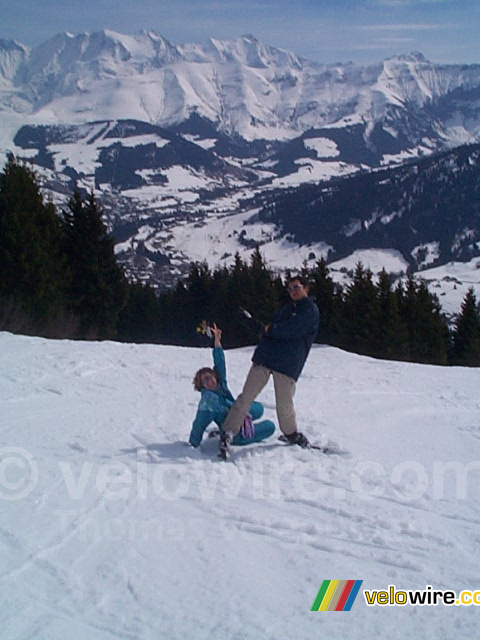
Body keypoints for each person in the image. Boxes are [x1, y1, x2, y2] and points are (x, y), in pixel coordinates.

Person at [220, 275, 320, 453]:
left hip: (288, 363)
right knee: (246, 397)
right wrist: (252, 324)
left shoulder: (310, 312)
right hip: (266, 358)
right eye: (290, 289)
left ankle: (291, 433)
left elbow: (288, 330)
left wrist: (264, 329)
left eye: (296, 287)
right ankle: (228, 431)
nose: (293, 292)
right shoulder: (285, 310)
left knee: (284, 403)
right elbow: (268, 331)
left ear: (306, 288)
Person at [188, 324, 275, 449]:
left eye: (209, 377)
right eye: (204, 381)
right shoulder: (208, 403)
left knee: (259, 408)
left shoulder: (220, 383)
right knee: (270, 426)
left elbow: (220, 361)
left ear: (215, 376)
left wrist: (217, 340)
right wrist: (193, 444)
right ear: (201, 386)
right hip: (234, 432)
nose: (209, 381)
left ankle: (241, 421)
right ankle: (227, 435)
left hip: (236, 412)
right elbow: (199, 424)